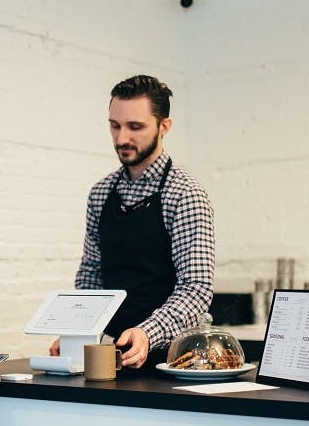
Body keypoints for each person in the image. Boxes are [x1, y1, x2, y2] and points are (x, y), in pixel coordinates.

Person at [51, 75, 214, 369]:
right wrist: (77, 331)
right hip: (113, 356)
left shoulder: (185, 194)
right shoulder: (101, 193)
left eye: (135, 127)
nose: (122, 138)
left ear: (164, 126)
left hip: (175, 360)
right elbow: (91, 274)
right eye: (115, 126)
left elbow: (196, 289)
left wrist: (147, 333)